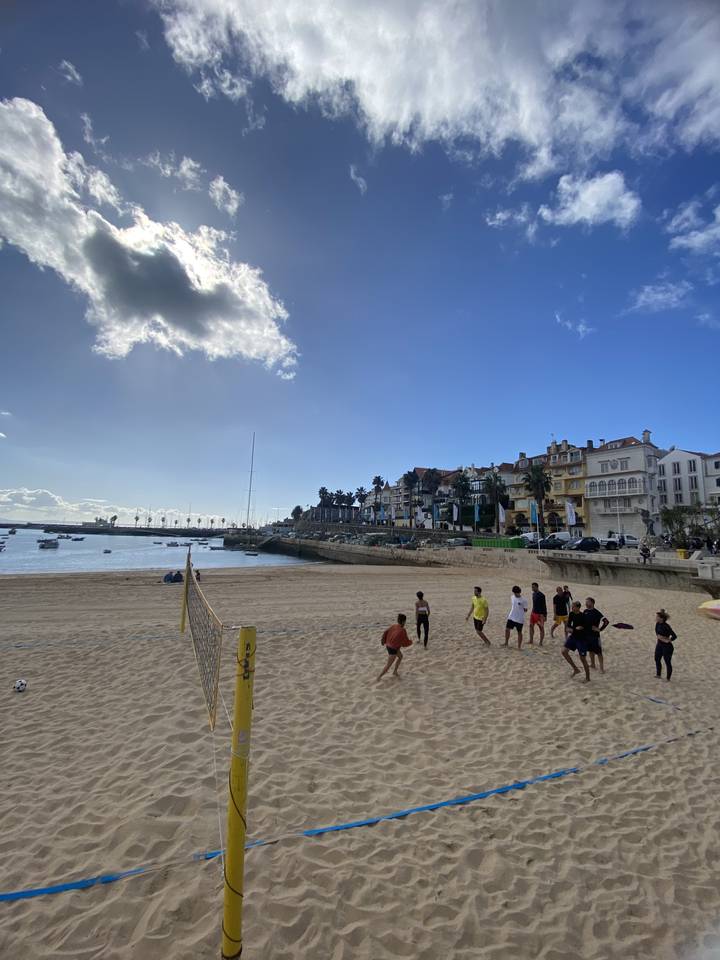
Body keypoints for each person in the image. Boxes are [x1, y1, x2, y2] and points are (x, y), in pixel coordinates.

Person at [377, 614, 413, 681]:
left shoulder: (394, 625)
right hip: (393, 648)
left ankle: (395, 671)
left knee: (400, 656)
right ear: (403, 621)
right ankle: (379, 677)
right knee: (388, 665)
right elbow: (405, 642)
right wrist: (411, 642)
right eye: (405, 621)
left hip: (389, 645)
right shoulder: (403, 630)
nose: (405, 622)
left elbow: (385, 632)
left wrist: (383, 640)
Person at [561, 601, 590, 681]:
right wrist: (570, 629)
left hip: (582, 639)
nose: (572, 608)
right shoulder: (571, 614)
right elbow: (569, 625)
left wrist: (574, 629)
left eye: (573, 607)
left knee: (583, 659)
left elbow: (586, 629)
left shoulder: (583, 616)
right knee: (564, 652)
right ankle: (576, 669)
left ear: (578, 607)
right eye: (572, 606)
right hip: (573, 637)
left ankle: (587, 678)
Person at [583, 597, 609, 672]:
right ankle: (593, 664)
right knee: (590, 650)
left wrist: (600, 629)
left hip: (595, 636)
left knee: (599, 652)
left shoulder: (596, 612)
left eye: (588, 602)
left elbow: (606, 622)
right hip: (587, 635)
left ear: (592, 603)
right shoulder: (585, 611)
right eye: (586, 602)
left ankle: (602, 668)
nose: (586, 604)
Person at [655, 609, 677, 681]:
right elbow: (657, 633)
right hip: (659, 645)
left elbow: (674, 636)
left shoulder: (666, 626)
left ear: (661, 618)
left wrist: (668, 640)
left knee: (667, 661)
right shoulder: (657, 624)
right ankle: (658, 675)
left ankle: (668, 678)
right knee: (657, 659)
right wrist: (659, 637)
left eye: (657, 617)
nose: (656, 618)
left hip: (667, 647)